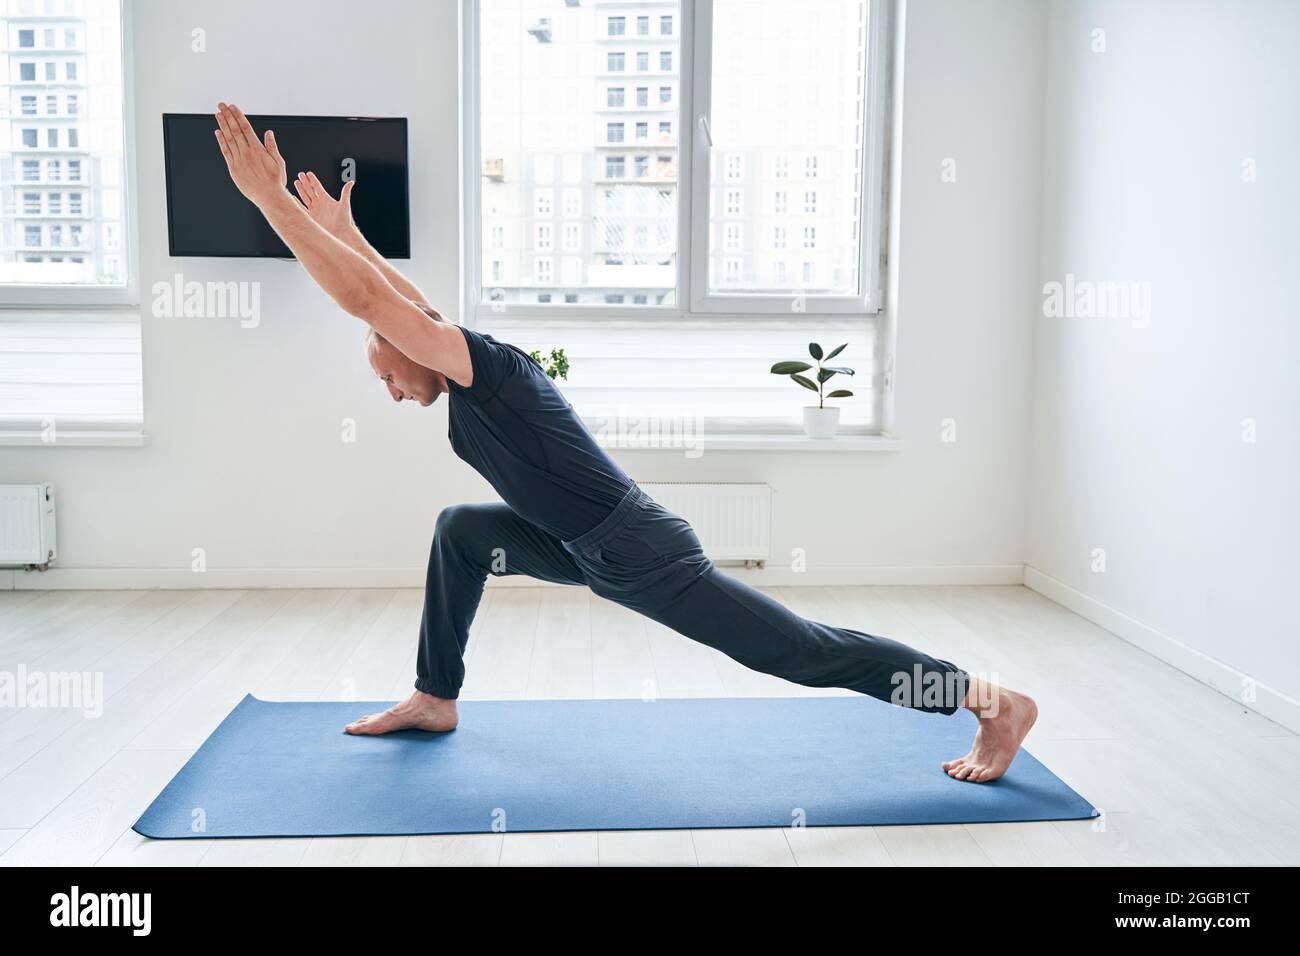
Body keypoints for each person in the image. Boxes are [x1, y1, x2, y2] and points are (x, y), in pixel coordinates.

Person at [213, 102, 1037, 783]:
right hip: (585, 544)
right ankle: (436, 696)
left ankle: (987, 702)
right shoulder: (459, 362)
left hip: (638, 551)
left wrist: (272, 204)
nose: (389, 389)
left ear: (411, 347)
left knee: (797, 652)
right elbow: (393, 301)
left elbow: (373, 303)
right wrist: (345, 232)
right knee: (463, 531)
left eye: (384, 373)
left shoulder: (482, 367)